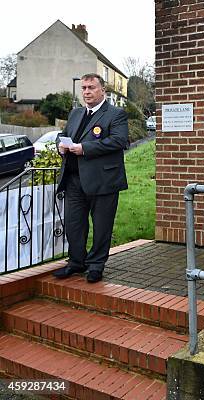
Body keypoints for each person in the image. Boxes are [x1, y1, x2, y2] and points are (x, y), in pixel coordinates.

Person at [52, 73, 129, 283]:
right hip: (74, 180)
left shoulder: (115, 114)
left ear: (102, 90)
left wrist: (84, 148)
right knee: (73, 224)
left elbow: (119, 141)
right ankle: (77, 262)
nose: (86, 92)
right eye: (84, 88)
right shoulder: (76, 113)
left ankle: (96, 265)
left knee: (102, 225)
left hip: (103, 181)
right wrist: (61, 145)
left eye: (91, 87)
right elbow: (63, 134)